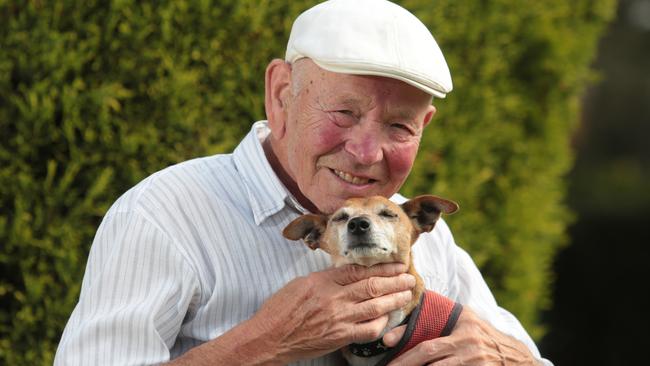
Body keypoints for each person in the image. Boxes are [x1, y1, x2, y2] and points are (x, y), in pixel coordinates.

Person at [55, 0, 552, 365]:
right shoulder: (165, 216)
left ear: (423, 130)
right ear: (281, 93)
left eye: (398, 127)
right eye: (343, 112)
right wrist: (265, 342)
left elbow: (523, 358)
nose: (365, 152)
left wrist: (503, 357)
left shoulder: (421, 231)